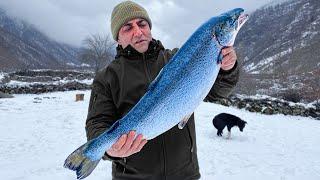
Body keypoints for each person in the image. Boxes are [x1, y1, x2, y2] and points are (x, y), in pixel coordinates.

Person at [85, 1, 239, 179]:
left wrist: (228, 68)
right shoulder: (107, 77)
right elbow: (97, 124)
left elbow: (218, 92)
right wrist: (110, 150)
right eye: (128, 27)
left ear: (149, 28)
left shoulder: (178, 60)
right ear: (117, 38)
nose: (138, 31)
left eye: (142, 24)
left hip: (185, 175)